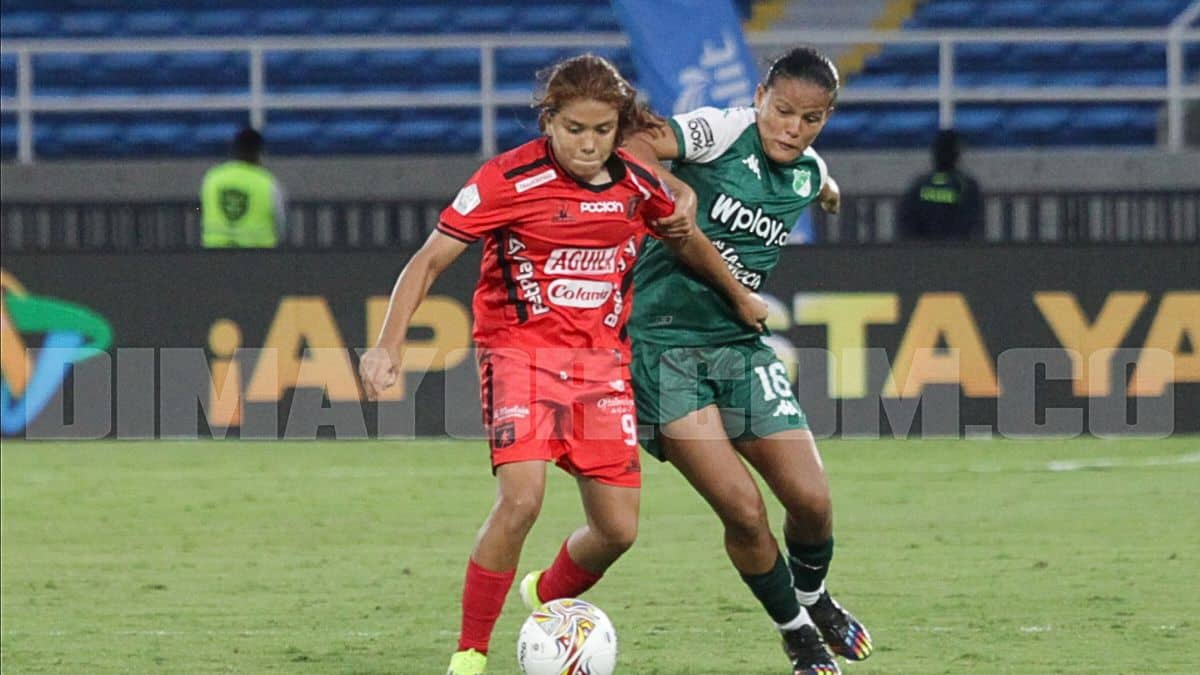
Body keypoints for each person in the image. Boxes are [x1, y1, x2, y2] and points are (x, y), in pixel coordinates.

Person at [357, 54, 766, 675]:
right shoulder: (506, 180)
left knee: (619, 531)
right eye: (575, 128)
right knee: (522, 499)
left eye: (603, 130)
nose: (589, 143)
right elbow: (430, 259)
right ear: (549, 120)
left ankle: (543, 599)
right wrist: (387, 343)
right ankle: (469, 653)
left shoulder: (636, 183)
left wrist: (738, 297)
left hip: (602, 368)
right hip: (519, 354)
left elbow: (685, 239)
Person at [623, 47, 873, 675]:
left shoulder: (807, 170)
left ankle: (814, 599)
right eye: (782, 110)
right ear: (759, 95)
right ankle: (796, 634)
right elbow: (632, 141)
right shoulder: (720, 131)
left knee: (812, 502)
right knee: (743, 508)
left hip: (737, 347)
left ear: (826, 118)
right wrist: (675, 184)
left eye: (811, 118)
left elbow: (816, 174)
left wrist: (831, 189)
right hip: (662, 346)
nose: (792, 127)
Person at [200, 127, 287, 248]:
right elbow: (280, 224)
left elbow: (202, 211)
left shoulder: (212, 178)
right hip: (260, 259)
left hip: (214, 257)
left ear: (233, 150)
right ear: (260, 152)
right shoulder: (268, 183)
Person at [897, 128, 984, 241]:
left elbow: (907, 226)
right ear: (956, 155)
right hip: (957, 253)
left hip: (924, 253)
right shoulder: (967, 186)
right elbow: (973, 226)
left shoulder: (919, 186)